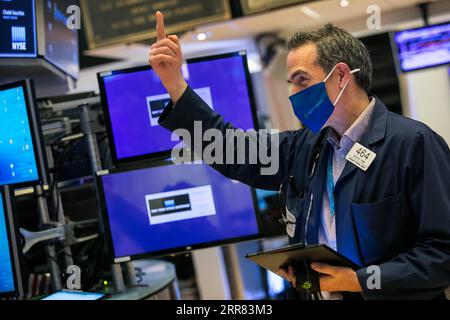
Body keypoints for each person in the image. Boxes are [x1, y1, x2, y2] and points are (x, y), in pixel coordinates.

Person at [149, 11, 450, 300]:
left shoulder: (413, 145)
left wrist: (362, 281)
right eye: (291, 82)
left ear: (342, 75)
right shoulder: (306, 146)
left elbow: (443, 253)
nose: (293, 93)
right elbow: (232, 150)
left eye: (302, 80)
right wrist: (175, 85)